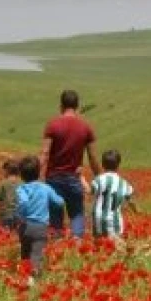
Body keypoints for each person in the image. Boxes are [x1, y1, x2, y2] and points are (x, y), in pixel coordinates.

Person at [41, 90, 102, 238]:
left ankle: (56, 246)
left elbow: (45, 153)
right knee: (77, 214)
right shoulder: (86, 127)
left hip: (53, 178)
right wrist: (100, 177)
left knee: (55, 217)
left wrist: (38, 177)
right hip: (74, 178)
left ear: (61, 105)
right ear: (77, 106)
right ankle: (77, 243)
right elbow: (93, 157)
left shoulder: (52, 125)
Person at [16, 155, 65, 281]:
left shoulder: (21, 188)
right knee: (37, 252)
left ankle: (24, 275)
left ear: (21, 175)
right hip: (40, 227)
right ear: (38, 172)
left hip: (25, 226)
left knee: (25, 251)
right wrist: (60, 199)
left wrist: (21, 215)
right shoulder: (45, 188)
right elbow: (59, 202)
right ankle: (33, 277)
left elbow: (23, 203)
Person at [90, 149, 138, 240]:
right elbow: (131, 201)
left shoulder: (99, 179)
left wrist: (81, 179)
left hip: (98, 219)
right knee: (114, 244)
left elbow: (91, 191)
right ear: (118, 165)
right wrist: (136, 211)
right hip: (114, 221)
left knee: (98, 243)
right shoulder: (124, 183)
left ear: (103, 165)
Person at [0, 158, 21, 231]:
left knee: (4, 234)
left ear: (7, 171)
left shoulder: (3, 183)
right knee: (14, 234)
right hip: (18, 215)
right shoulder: (21, 184)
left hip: (5, 215)